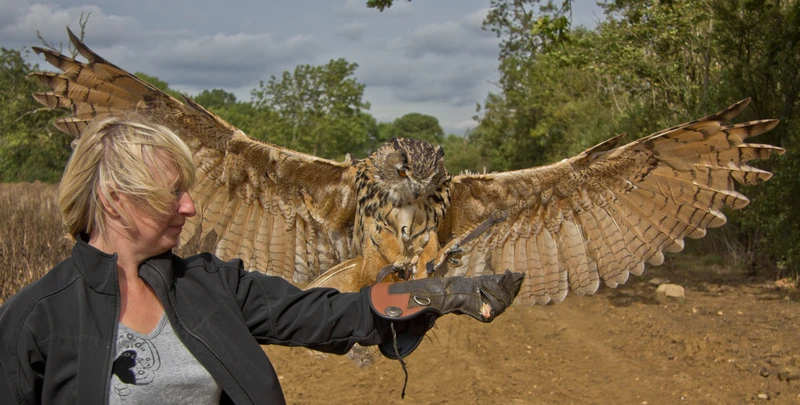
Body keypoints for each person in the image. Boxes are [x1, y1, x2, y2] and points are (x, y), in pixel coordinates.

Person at [0, 117, 523, 404]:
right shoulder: (35, 321)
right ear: (115, 199)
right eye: (173, 193)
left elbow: (332, 314)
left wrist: (435, 294)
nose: (191, 206)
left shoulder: (210, 286)